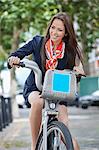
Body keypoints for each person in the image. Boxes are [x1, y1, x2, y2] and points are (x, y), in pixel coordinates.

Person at [8, 12, 85, 150]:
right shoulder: (38, 42)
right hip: (36, 87)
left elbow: (75, 71)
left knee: (65, 131)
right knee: (38, 102)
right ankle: (34, 145)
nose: (54, 32)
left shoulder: (69, 51)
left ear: (66, 34)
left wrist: (78, 71)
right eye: (53, 27)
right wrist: (13, 59)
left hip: (58, 92)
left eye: (60, 30)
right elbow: (16, 54)